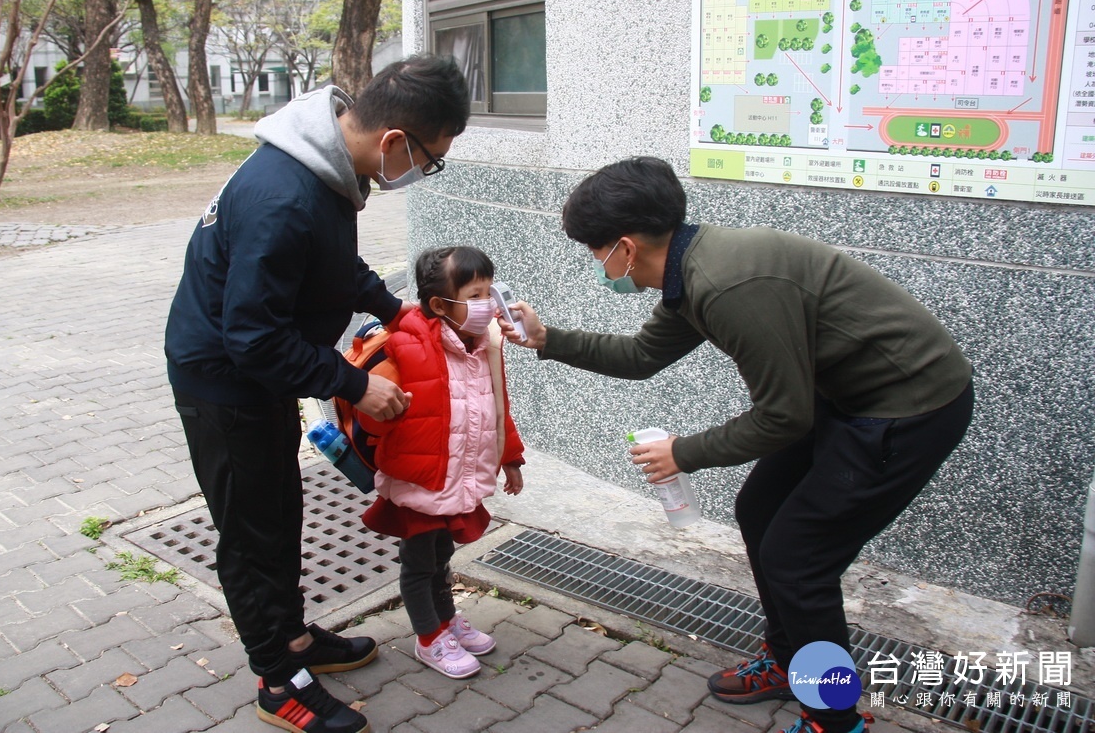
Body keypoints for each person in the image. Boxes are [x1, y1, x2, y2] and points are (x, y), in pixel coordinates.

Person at [503, 157, 973, 733]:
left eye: (594, 251)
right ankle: (788, 658)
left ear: (624, 247)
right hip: (848, 396)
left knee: (799, 562)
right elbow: (643, 356)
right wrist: (548, 338)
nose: (596, 264)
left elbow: (784, 416)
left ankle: (836, 718)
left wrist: (685, 452)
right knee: (760, 511)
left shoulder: (726, 285)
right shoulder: (690, 271)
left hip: (908, 407)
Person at [164, 55, 469, 733]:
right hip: (223, 379)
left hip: (258, 374)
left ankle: (296, 638)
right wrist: (353, 384)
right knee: (251, 532)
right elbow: (251, 336)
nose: (424, 172)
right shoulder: (286, 194)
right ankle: (278, 680)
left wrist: (392, 310)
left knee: (281, 510)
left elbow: (333, 264)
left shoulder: (330, 167)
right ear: (395, 141)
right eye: (430, 159)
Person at [359, 246, 526, 679]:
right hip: (419, 481)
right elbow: (373, 409)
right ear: (439, 304)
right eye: (475, 294)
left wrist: (511, 458)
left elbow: (497, 405)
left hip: (456, 479)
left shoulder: (484, 345)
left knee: (441, 557)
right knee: (419, 564)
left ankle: (446, 621)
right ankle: (429, 639)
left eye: (490, 292)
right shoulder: (406, 345)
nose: (488, 304)